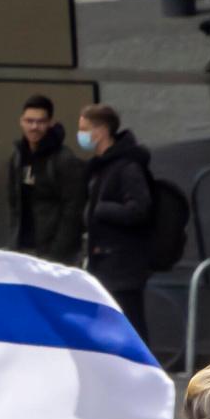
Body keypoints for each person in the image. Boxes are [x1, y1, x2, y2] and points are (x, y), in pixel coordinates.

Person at [78, 102, 159, 335]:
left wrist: (102, 209)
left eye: (84, 129)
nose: (81, 135)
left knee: (130, 327)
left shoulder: (127, 167)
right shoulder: (101, 167)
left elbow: (140, 210)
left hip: (123, 266)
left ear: (101, 131)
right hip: (103, 263)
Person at [0, 93, 89, 265]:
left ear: (49, 123)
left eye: (40, 122)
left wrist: (57, 254)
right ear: (21, 122)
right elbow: (14, 203)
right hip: (23, 249)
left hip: (53, 255)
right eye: (29, 121)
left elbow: (73, 210)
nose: (34, 127)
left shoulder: (63, 159)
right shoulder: (18, 157)